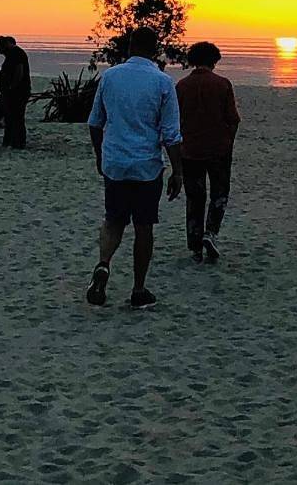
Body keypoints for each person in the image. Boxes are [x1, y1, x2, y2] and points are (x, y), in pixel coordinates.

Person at [86, 27, 183, 309]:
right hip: (146, 166)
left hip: (115, 162)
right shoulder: (162, 82)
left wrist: (99, 156)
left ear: (129, 46)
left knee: (113, 219)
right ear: (155, 49)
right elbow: (171, 134)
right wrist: (177, 171)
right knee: (143, 227)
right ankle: (138, 288)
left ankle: (104, 264)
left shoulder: (110, 77)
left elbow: (95, 122)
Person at [176, 41, 240, 262]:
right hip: (218, 149)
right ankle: (211, 232)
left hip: (190, 149)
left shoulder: (182, 86)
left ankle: (195, 246)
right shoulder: (222, 84)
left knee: (195, 197)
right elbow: (233, 118)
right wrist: (228, 140)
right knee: (219, 194)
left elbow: (175, 120)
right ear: (214, 60)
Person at [0, 36, 31, 148]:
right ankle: (10, 141)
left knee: (17, 117)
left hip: (17, 92)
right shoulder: (11, 54)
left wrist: (12, 87)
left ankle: (19, 143)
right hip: (11, 91)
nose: (1, 53)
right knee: (10, 117)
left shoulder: (16, 53)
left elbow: (19, 72)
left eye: (0, 49)